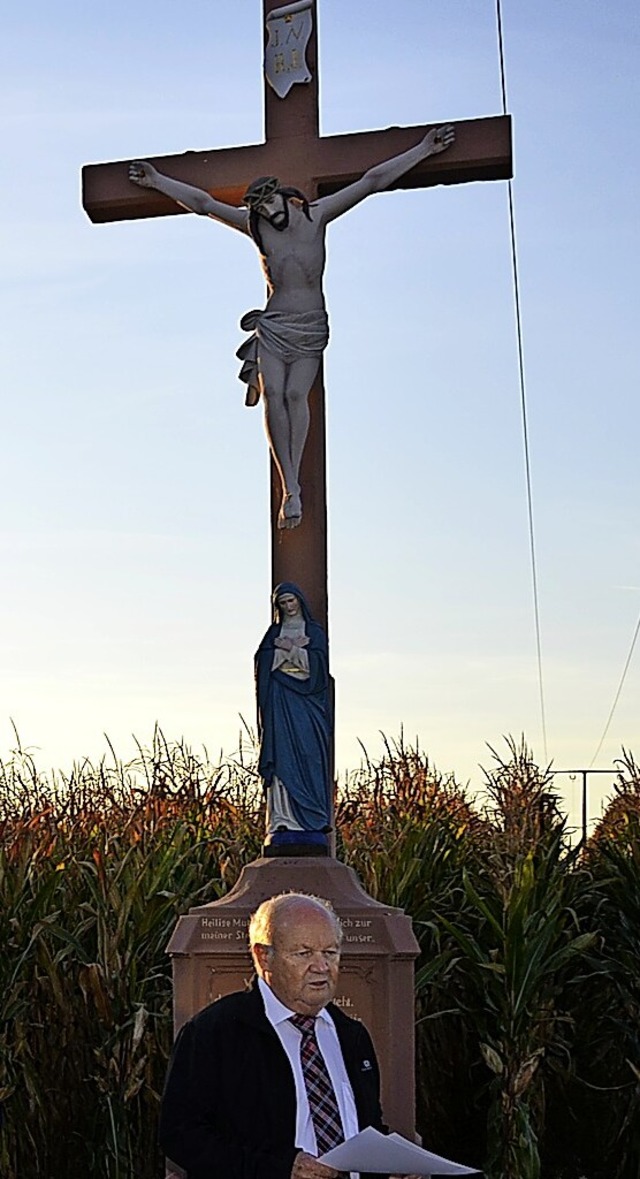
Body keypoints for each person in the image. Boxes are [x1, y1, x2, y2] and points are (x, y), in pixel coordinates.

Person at [128, 124, 455, 529]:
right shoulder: (256, 228)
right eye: (259, 209)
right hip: (276, 323)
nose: (265, 214)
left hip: (310, 323)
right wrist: (157, 180)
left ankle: (294, 480)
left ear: (287, 200)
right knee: (274, 396)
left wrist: (424, 150)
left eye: (269, 206)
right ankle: (290, 488)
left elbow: (372, 180)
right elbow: (203, 203)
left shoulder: (316, 216)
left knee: (297, 394)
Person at [159, 892, 388, 1179]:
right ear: (263, 956)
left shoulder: (351, 1035)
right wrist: (279, 1169)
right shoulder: (215, 1032)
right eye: (304, 953)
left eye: (330, 952)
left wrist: (392, 1169)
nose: (321, 967)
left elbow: (367, 1129)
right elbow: (181, 1136)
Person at [255, 583, 332, 851]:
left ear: (300, 602)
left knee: (309, 756)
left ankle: (311, 818)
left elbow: (319, 670)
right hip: (280, 702)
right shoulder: (274, 633)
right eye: (283, 603)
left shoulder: (314, 632)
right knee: (282, 757)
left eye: (292, 602)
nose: (289, 607)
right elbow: (263, 664)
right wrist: (285, 651)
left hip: (307, 703)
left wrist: (290, 651)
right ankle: (282, 819)